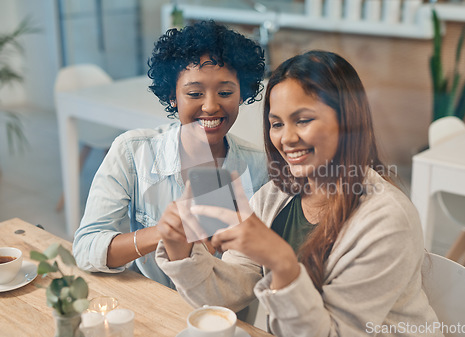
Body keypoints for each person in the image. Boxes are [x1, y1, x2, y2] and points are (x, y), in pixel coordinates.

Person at [155, 50, 444, 336]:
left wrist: (282, 262)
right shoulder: (273, 197)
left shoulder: (386, 218)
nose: (287, 138)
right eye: (277, 124)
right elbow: (229, 293)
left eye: (303, 120)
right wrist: (180, 248)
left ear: (347, 122)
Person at [73, 21, 268, 289]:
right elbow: (86, 248)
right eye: (194, 93)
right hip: (154, 309)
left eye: (225, 92)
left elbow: (254, 273)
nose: (210, 106)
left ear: (242, 94)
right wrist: (163, 233)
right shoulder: (133, 153)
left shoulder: (259, 168)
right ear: (172, 96)